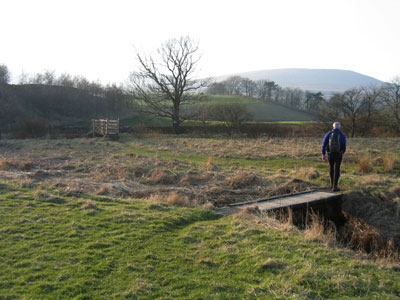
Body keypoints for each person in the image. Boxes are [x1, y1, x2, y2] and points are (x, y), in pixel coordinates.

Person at [321, 122, 346, 191]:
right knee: (337, 169)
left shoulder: (328, 134)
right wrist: (343, 152)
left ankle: (331, 184)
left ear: (333, 127)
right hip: (338, 154)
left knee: (331, 168)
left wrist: (323, 154)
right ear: (339, 127)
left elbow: (324, 144)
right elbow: (344, 145)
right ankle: (335, 186)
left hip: (330, 154)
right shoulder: (342, 135)